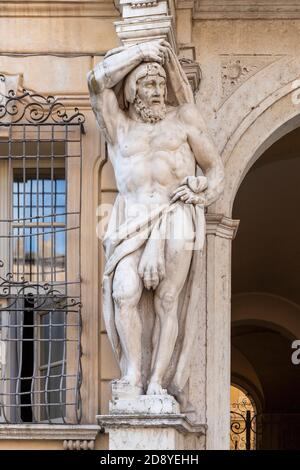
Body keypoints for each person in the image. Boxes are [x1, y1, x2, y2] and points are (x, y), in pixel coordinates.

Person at [88, 40, 224, 401]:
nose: (158, 91)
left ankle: (157, 382)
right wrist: (144, 52)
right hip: (130, 222)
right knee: (124, 292)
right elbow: (97, 83)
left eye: (161, 84)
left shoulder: (183, 120)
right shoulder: (118, 128)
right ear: (132, 90)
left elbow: (215, 170)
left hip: (175, 214)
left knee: (167, 301)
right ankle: (133, 372)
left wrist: (200, 189)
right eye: (149, 84)